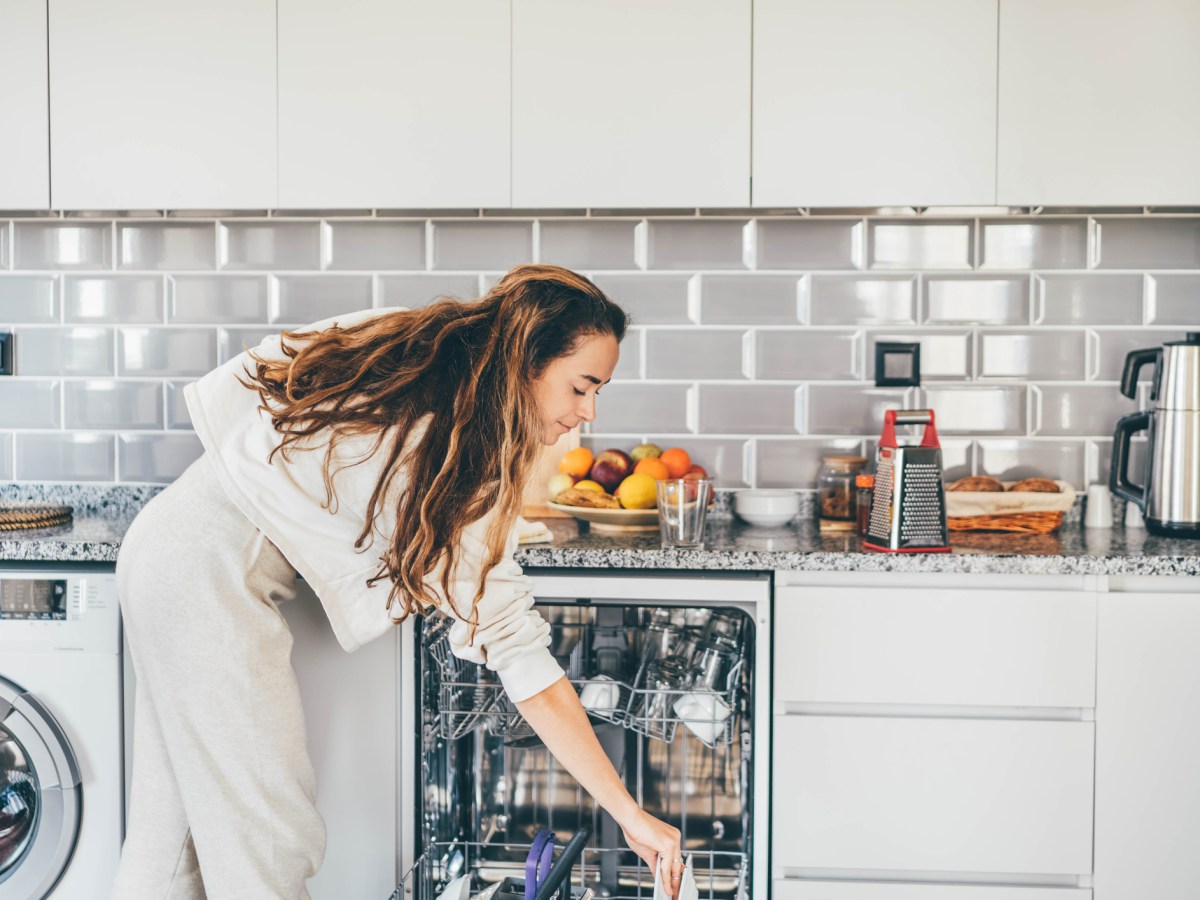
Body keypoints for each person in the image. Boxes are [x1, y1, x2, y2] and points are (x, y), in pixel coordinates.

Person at [112, 265, 686, 899]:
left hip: (167, 548)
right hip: (206, 579)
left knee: (170, 847)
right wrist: (628, 812)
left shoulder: (423, 355)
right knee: (270, 841)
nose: (587, 412)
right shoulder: (460, 444)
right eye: (582, 387)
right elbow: (521, 659)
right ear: (530, 360)